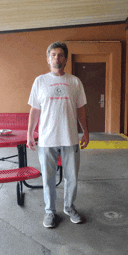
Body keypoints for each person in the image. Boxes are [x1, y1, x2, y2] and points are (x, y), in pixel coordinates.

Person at [27, 41, 89, 228]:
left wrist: (85, 132)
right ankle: (50, 212)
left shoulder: (74, 82)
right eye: (53, 54)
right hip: (46, 139)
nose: (57, 57)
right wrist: (30, 133)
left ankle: (69, 208)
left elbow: (81, 110)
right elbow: (35, 110)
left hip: (70, 138)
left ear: (66, 59)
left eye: (60, 54)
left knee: (72, 177)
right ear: (48, 59)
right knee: (48, 178)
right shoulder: (40, 81)